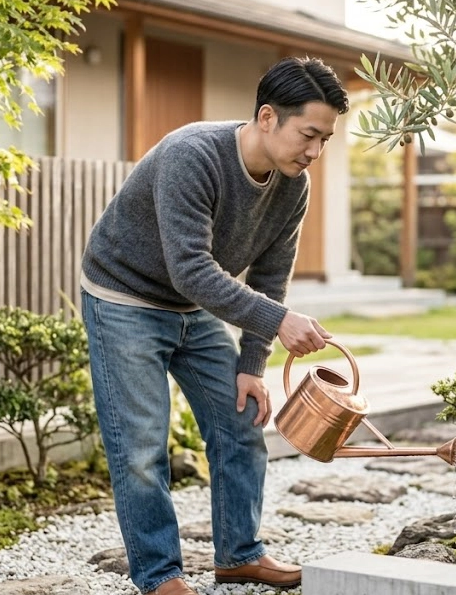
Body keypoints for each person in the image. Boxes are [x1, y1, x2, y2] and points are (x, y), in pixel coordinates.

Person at [80, 56, 350, 595]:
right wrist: (279, 321)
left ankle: (239, 555)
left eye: (325, 140)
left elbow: (270, 276)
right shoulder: (193, 154)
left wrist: (253, 363)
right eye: (308, 135)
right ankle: (160, 575)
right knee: (141, 447)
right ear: (268, 117)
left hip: (193, 304)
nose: (315, 152)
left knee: (242, 422)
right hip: (124, 297)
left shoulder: (293, 185)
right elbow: (191, 267)